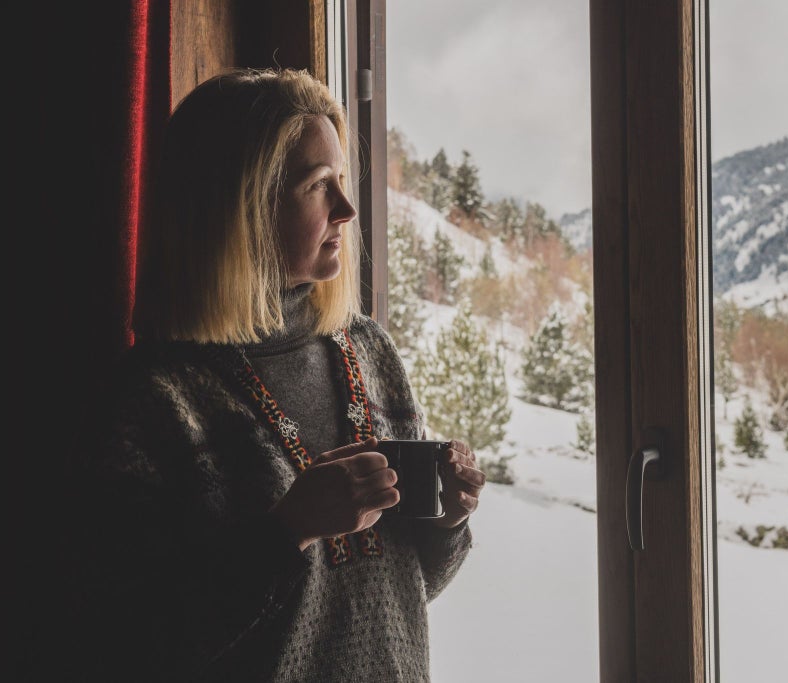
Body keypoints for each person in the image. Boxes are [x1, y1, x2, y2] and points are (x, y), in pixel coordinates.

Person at [67, 67, 486, 683]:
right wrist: (288, 531)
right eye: (319, 186)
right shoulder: (156, 400)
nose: (346, 209)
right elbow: (132, 643)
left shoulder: (369, 351)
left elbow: (401, 590)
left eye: (343, 180)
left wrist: (447, 520)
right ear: (237, 204)